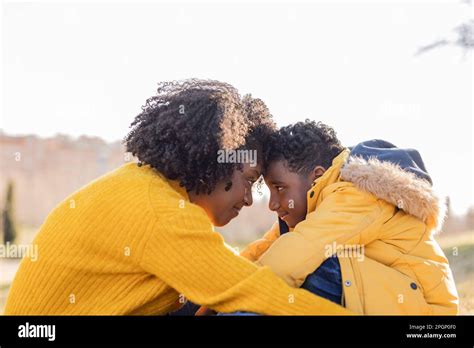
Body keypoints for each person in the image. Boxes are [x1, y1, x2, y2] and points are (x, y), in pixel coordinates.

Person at [5, 80, 350, 315]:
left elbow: (226, 268)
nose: (248, 200)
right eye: (247, 180)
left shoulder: (143, 187)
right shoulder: (160, 212)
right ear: (214, 162)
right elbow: (250, 288)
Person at [241, 120, 459, 314]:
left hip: (424, 308)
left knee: (312, 265)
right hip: (387, 294)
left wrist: (234, 296)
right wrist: (218, 288)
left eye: (280, 188)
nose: (273, 204)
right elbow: (263, 250)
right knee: (291, 260)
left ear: (316, 177)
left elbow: (292, 256)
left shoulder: (356, 194)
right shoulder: (312, 212)